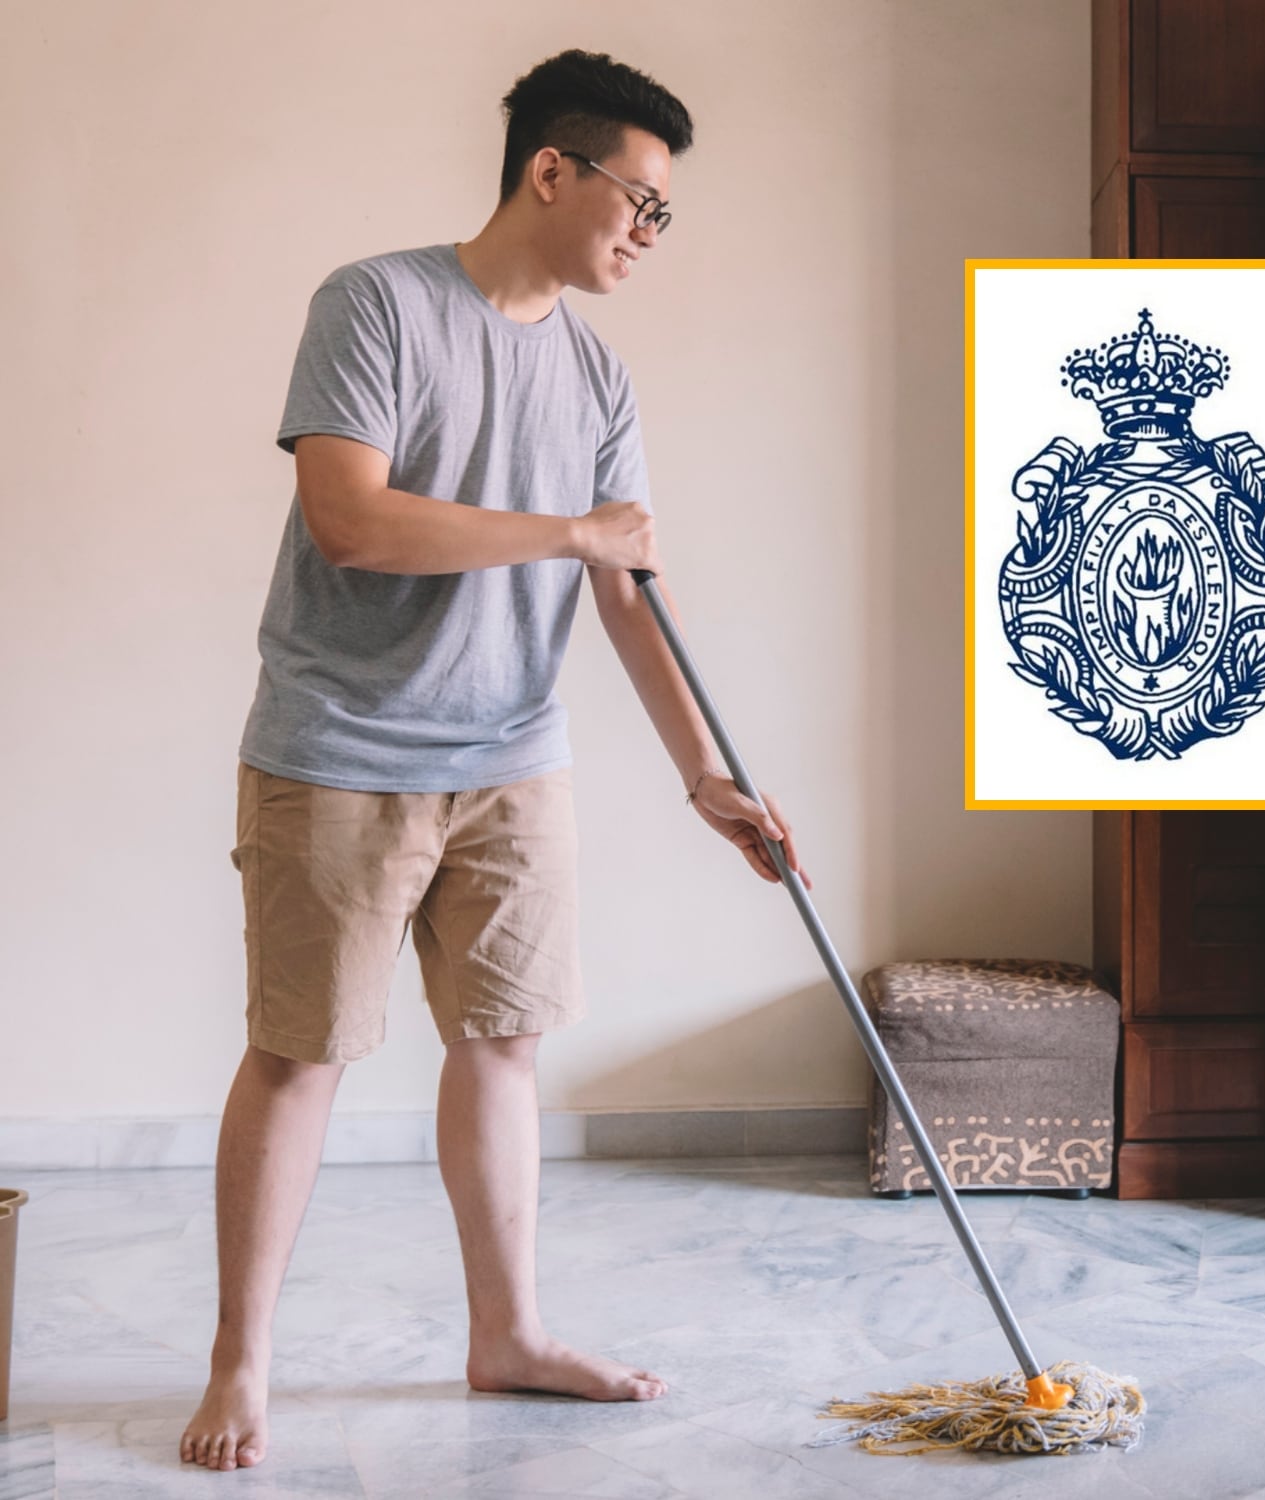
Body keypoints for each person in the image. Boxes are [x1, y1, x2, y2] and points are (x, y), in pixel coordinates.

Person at [180, 49, 809, 1473]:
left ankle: (507, 1334)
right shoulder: (379, 303)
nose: (648, 236)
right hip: (339, 749)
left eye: (664, 216)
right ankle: (242, 1361)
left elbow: (628, 589)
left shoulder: (595, 372)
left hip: (516, 756)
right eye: (640, 204)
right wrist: (571, 533)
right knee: (300, 1055)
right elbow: (352, 520)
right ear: (552, 171)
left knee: (506, 1046)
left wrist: (705, 774)